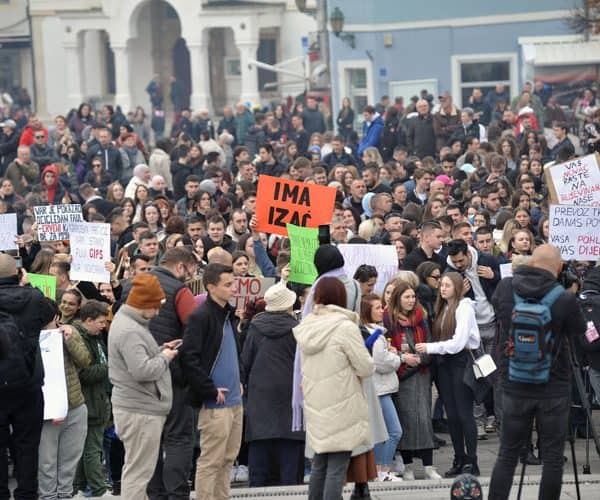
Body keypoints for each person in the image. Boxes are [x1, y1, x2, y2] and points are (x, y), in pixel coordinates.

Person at [488, 245, 587, 500]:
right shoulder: (563, 298)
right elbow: (578, 331)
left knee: (507, 454)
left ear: (531, 263)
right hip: (552, 386)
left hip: (514, 383)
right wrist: (573, 293)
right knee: (553, 457)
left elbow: (498, 312)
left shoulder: (505, 287)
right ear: (559, 268)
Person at [293, 277, 374, 500]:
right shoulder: (344, 327)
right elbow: (365, 367)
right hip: (342, 402)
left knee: (320, 463)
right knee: (337, 466)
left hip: (316, 402)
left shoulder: (307, 326)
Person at [108, 274, 178, 500]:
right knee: (138, 474)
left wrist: (159, 350)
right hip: (140, 411)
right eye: (155, 307)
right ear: (143, 304)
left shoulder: (129, 324)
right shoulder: (130, 330)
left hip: (138, 408)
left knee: (137, 471)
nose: (157, 312)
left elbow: (137, 360)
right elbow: (142, 371)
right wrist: (165, 357)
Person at [181, 264, 243, 500]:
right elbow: (189, 357)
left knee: (228, 459)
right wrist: (209, 389)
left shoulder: (227, 313)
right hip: (216, 403)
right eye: (227, 284)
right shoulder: (201, 316)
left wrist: (241, 379)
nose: (233, 288)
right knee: (211, 460)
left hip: (234, 399)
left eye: (232, 283)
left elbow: (235, 351)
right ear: (210, 287)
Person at [415, 272, 481, 477]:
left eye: (448, 285)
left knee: (464, 414)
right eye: (442, 285)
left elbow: (458, 343)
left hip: (461, 362)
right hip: (445, 365)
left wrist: (429, 347)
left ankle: (472, 460)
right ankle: (459, 457)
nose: (443, 288)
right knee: (451, 416)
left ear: (458, 287)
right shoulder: (442, 308)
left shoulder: (464, 308)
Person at [241, 278, 305, 486]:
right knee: (289, 459)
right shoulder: (297, 329)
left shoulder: (255, 327)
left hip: (260, 396)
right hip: (291, 396)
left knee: (259, 454)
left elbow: (245, 362)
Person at [147, 248, 198, 500]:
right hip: (173, 375)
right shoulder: (181, 291)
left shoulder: (133, 285)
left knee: (151, 441)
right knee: (178, 437)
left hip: (141, 376)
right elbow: (194, 333)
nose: (190, 276)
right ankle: (176, 494)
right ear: (180, 267)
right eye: (189, 271)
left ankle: (154, 493)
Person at [0, 254, 48, 499]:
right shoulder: (34, 298)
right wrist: (28, 286)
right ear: (18, 274)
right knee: (27, 446)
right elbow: (51, 313)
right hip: (28, 383)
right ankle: (27, 493)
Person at [383, 282, 440, 480]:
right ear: (398, 298)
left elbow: (429, 345)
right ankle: (407, 466)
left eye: (413, 297)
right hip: (401, 377)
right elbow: (386, 349)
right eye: (406, 297)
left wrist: (420, 358)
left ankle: (428, 466)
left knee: (424, 419)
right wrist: (403, 358)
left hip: (422, 375)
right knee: (405, 420)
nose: (411, 301)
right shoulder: (389, 321)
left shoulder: (421, 319)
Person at [37, 298, 92, 500]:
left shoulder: (69, 332)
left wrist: (71, 339)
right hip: (46, 412)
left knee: (69, 461)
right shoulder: (30, 337)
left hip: (74, 406)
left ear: (56, 317)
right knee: (46, 463)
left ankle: (64, 495)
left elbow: (85, 360)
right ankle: (48, 496)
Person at [360, 294, 403, 482]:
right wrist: (398, 358)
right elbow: (380, 361)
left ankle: (380, 470)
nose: (381, 311)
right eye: (377, 308)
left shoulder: (376, 332)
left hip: (379, 388)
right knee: (393, 431)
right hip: (380, 388)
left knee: (382, 431)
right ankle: (382, 470)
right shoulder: (373, 334)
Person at [72, 300, 111, 498]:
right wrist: (111, 366)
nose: (104, 326)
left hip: (98, 399)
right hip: (89, 401)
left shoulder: (95, 337)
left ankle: (78, 487)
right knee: (93, 449)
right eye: (101, 322)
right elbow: (85, 373)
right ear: (89, 320)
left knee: (88, 447)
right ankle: (99, 489)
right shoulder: (80, 338)